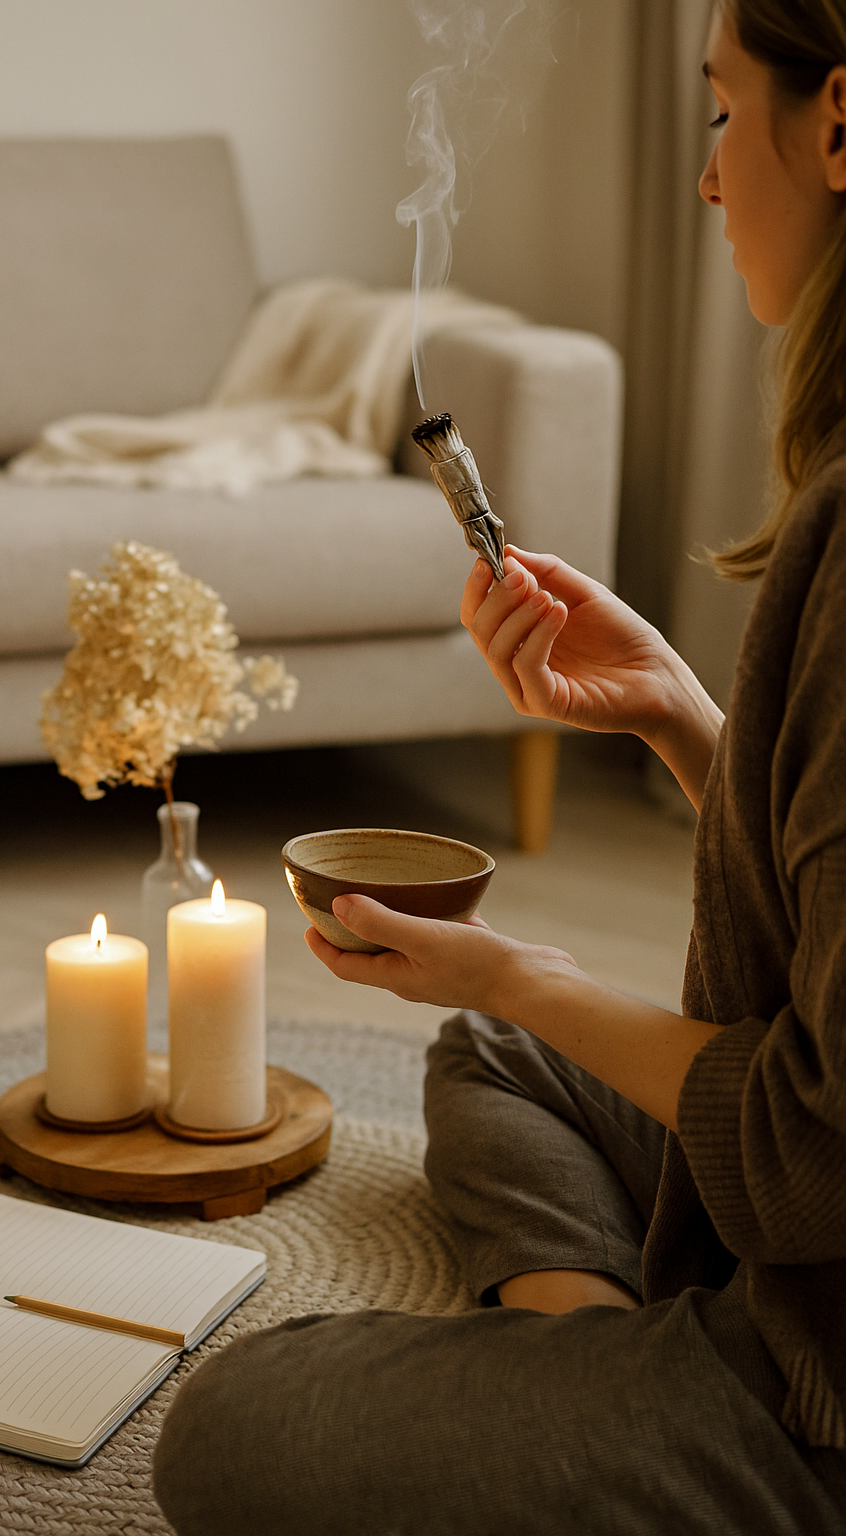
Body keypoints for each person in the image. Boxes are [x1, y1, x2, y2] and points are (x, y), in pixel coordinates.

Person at [153, 3, 846, 1530]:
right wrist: (676, 709)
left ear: (841, 124)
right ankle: (593, 1353)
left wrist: (514, 969)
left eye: (725, 113)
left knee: (228, 1429)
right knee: (500, 1062)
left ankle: (634, 1414)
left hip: (826, 1393)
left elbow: (814, 1146)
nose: (714, 178)